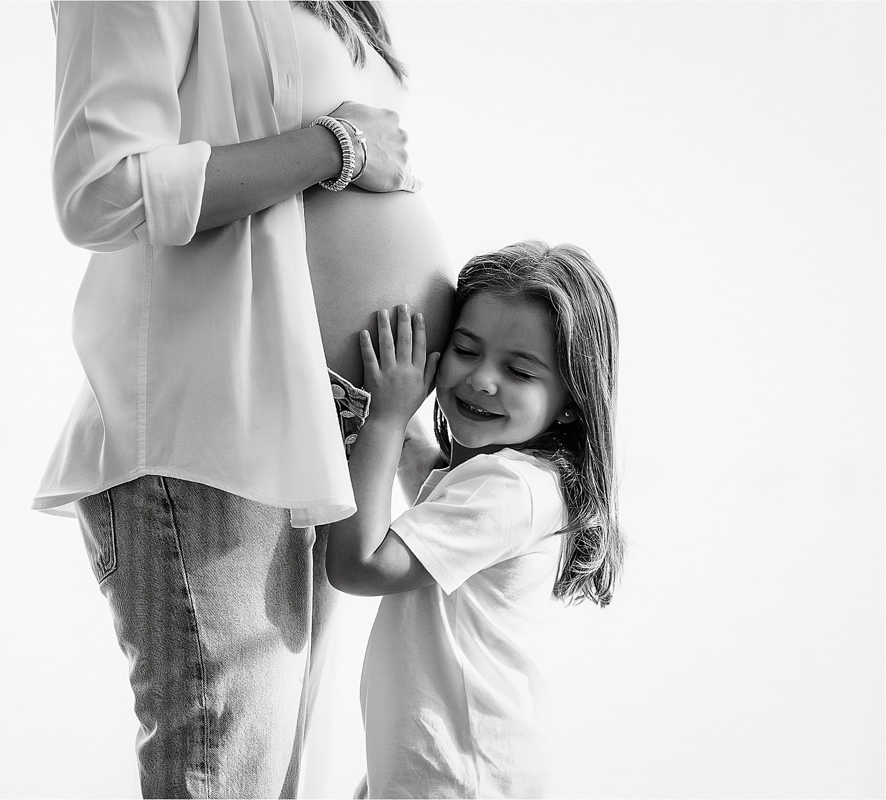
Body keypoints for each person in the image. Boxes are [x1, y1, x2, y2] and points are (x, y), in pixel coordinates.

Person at [34, 2, 454, 797]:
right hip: (215, 425)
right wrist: (336, 145)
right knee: (224, 777)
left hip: (320, 438)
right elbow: (100, 191)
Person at [325, 241, 625, 798]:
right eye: (465, 349)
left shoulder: (512, 490)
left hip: (461, 777)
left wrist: (386, 416)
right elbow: (421, 468)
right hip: (450, 770)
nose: (483, 379)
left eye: (519, 370)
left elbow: (360, 565)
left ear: (570, 400)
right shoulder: (503, 481)